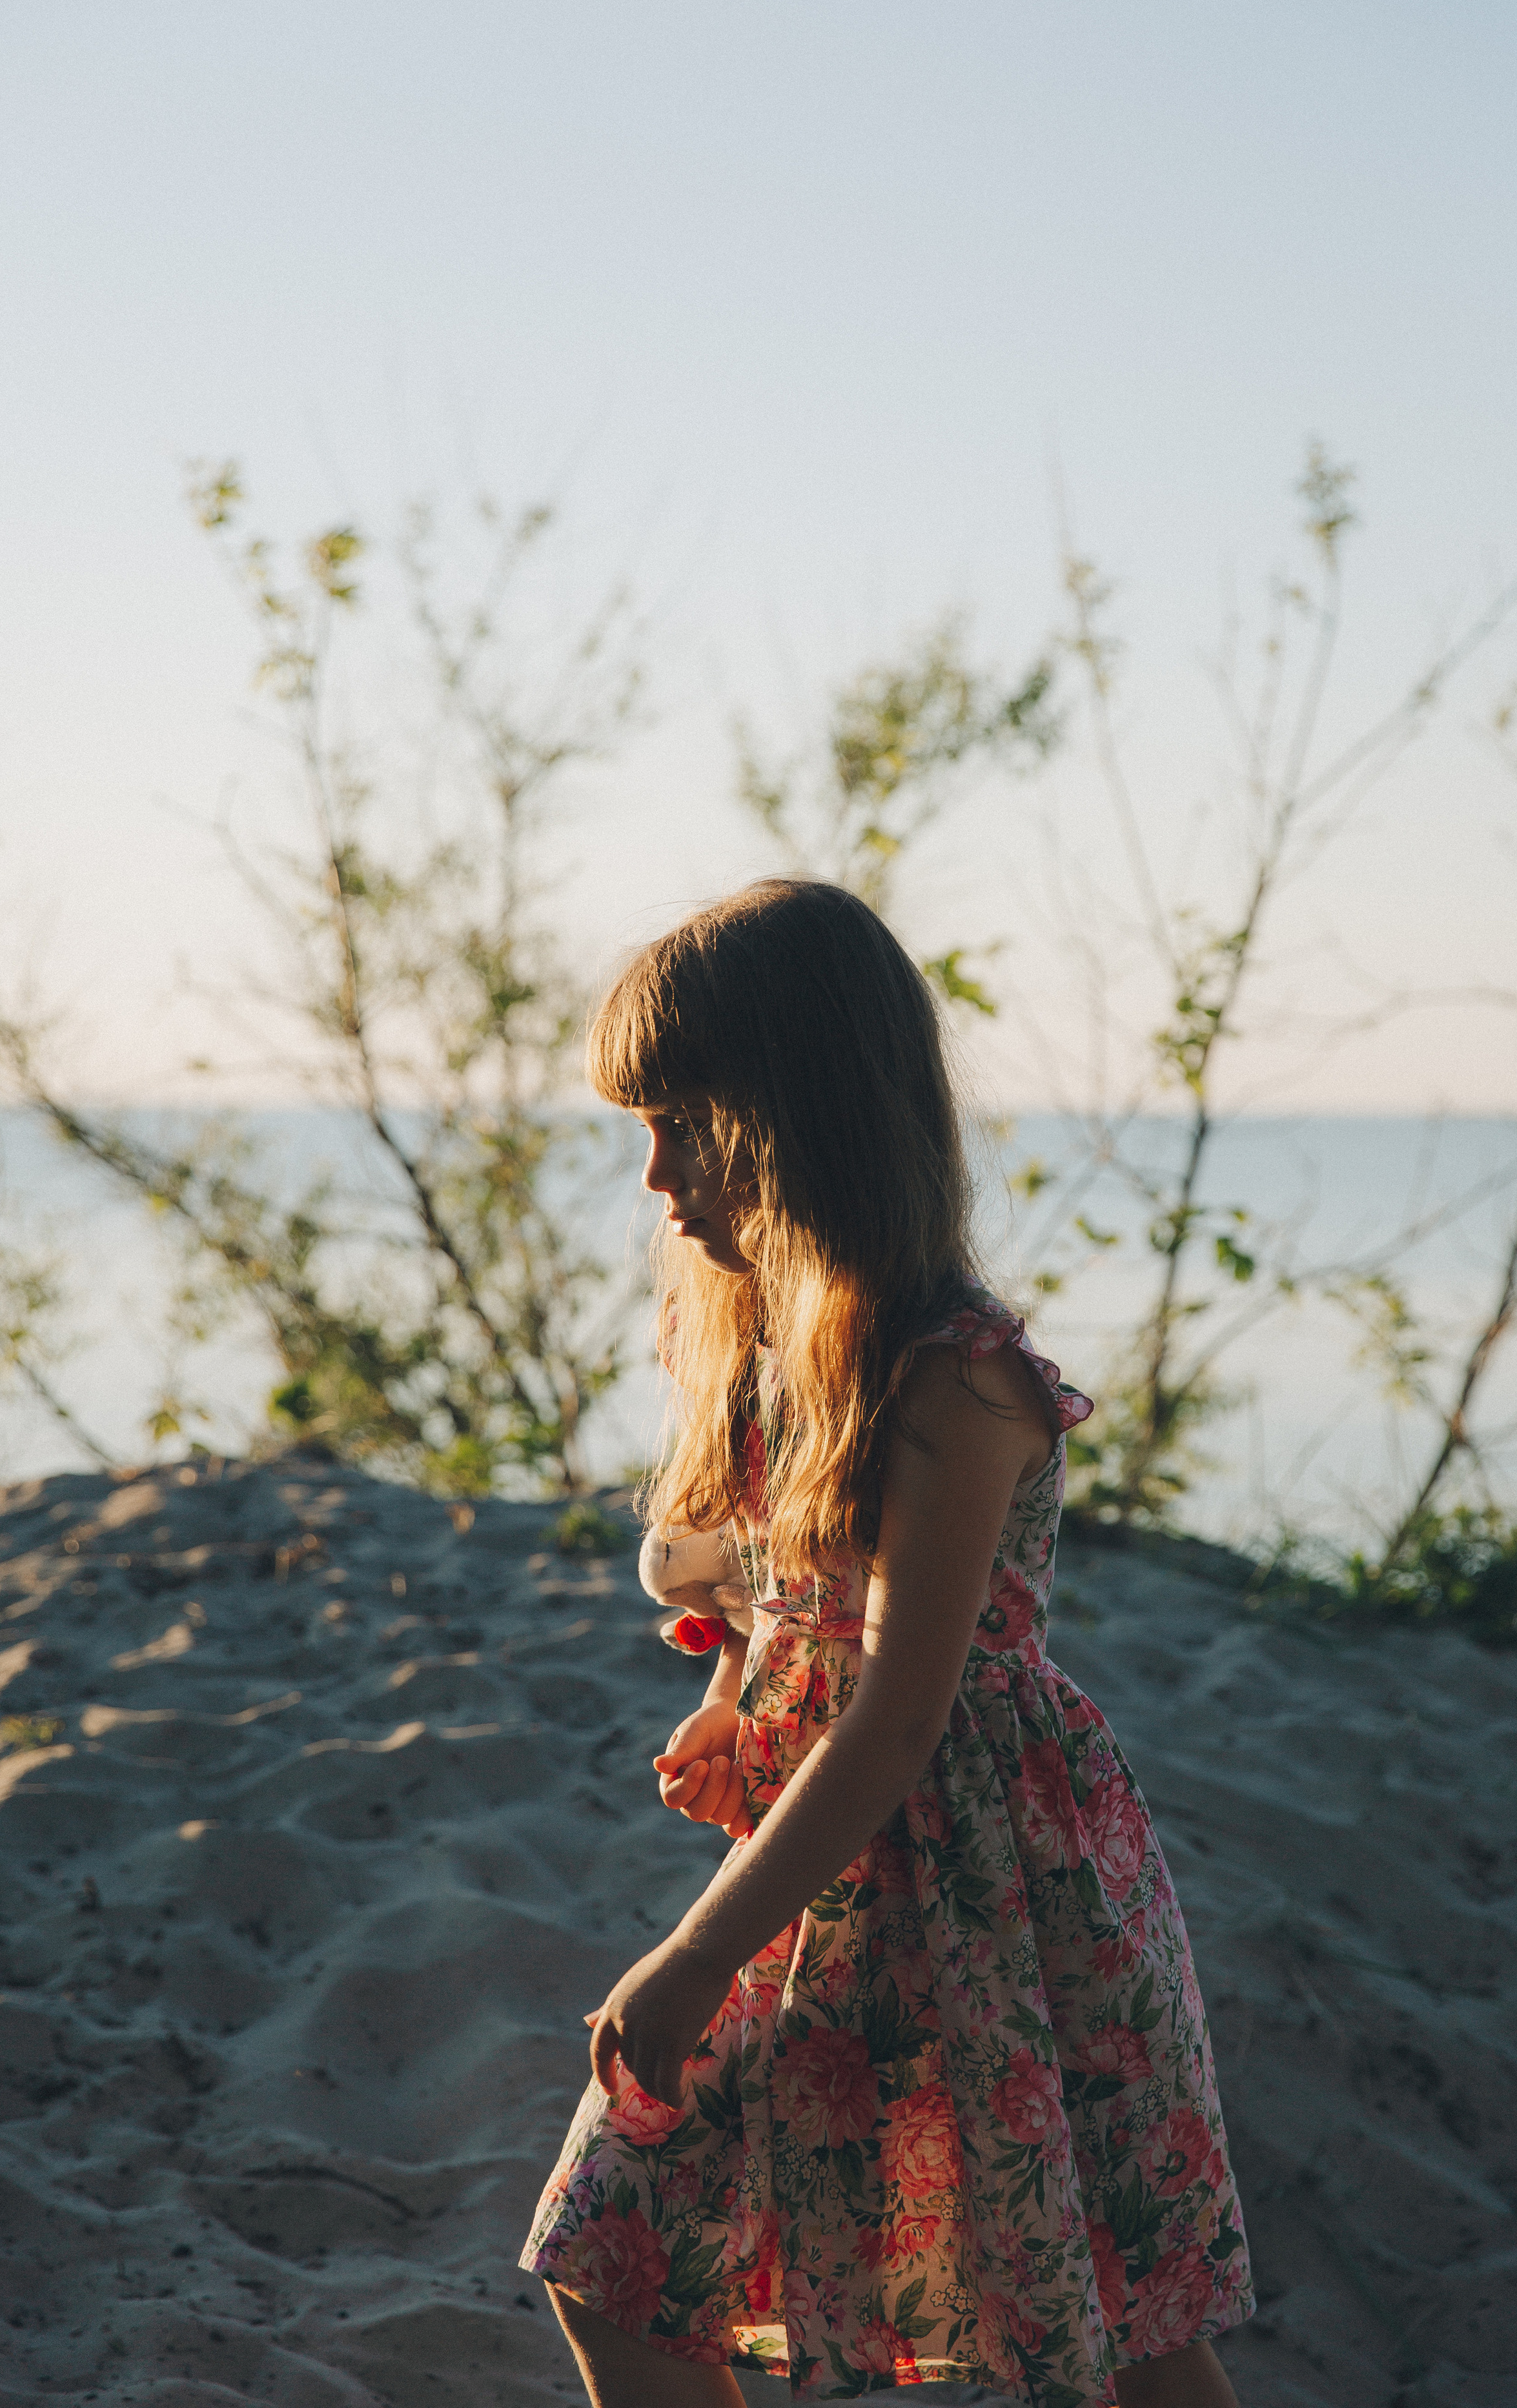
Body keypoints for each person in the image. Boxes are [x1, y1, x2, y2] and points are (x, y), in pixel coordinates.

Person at [520, 879, 1252, 2405]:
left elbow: (901, 1712)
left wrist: (690, 1952)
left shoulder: (953, 1381)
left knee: (1107, 2313)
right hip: (814, 1871)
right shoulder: (760, 1340)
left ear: (805, 1115)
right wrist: (733, 1690)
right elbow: (777, 1590)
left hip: (994, 1893)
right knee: (616, 2257)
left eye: (685, 1123)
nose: (654, 1173)